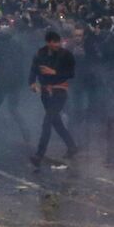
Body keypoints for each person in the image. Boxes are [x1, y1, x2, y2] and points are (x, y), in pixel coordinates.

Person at [29, 30, 78, 168]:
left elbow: (71, 73)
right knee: (56, 122)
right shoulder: (40, 54)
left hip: (59, 91)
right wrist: (32, 83)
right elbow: (33, 69)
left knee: (47, 122)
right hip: (45, 92)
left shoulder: (66, 55)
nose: (57, 45)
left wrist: (55, 72)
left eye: (58, 42)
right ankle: (72, 146)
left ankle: (39, 154)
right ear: (48, 43)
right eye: (54, 42)